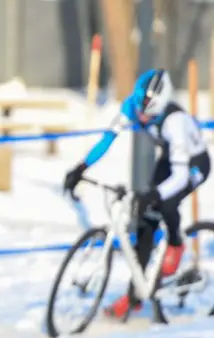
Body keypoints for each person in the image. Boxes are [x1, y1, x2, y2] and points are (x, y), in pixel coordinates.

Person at [64, 68, 210, 318]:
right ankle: (135, 296)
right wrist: (81, 167)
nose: (142, 118)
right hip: (169, 158)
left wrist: (154, 196)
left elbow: (179, 178)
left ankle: (176, 243)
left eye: (149, 115)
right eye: (139, 113)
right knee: (145, 224)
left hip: (193, 164)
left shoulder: (175, 123)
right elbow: (106, 140)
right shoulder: (132, 107)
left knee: (165, 202)